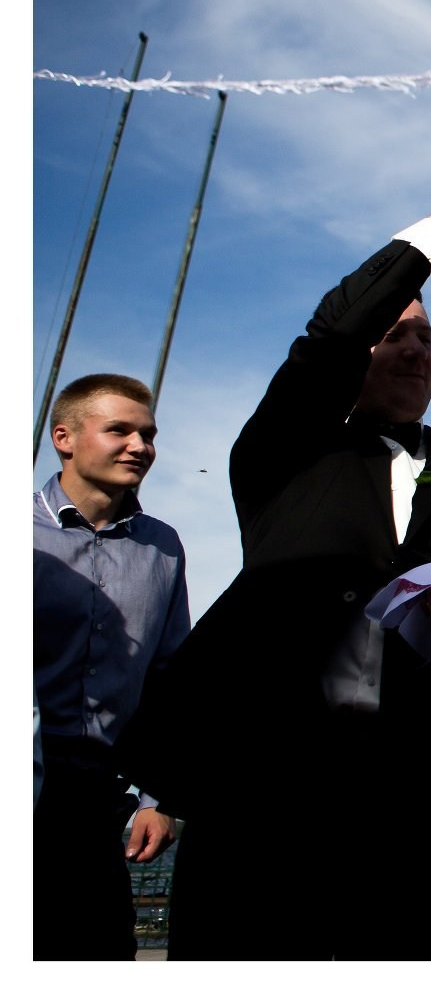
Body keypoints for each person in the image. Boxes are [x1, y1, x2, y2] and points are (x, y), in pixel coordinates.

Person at [118, 198, 431, 960]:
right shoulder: (283, 454)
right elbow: (330, 335)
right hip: (265, 791)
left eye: (427, 337)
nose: (415, 349)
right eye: (393, 334)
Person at [33, 374, 190, 959]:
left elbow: (171, 677)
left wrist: (160, 798)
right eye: (119, 430)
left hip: (100, 805)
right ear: (64, 437)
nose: (140, 446)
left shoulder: (163, 546)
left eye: (147, 434)